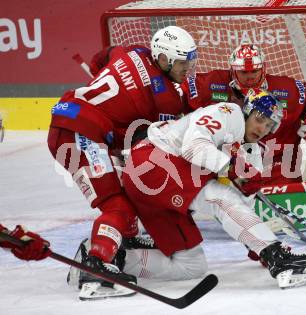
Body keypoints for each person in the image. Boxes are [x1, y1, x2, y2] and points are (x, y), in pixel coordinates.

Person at [119, 90, 306, 290]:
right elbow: (194, 148)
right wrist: (235, 171)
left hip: (154, 189)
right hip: (150, 163)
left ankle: (114, 258)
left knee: (190, 265)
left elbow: (241, 205)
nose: (262, 128)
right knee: (219, 196)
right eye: (260, 118)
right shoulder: (228, 113)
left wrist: (257, 245)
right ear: (247, 111)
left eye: (269, 125)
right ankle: (279, 259)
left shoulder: (250, 150)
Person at [47, 25, 198, 298]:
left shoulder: (132, 52)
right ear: (163, 59)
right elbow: (154, 143)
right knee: (117, 206)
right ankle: (97, 270)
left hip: (74, 123)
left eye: (190, 60)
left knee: (125, 196)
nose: (188, 68)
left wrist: (115, 93)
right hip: (82, 135)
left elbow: (100, 59)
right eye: (182, 62)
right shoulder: (165, 100)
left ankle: (119, 241)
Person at [181, 43, 306, 184]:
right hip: (228, 170)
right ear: (233, 71)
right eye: (244, 72)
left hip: (280, 170)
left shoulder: (290, 90)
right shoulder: (211, 85)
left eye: (254, 71)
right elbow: (180, 92)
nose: (249, 77)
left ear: (263, 69)